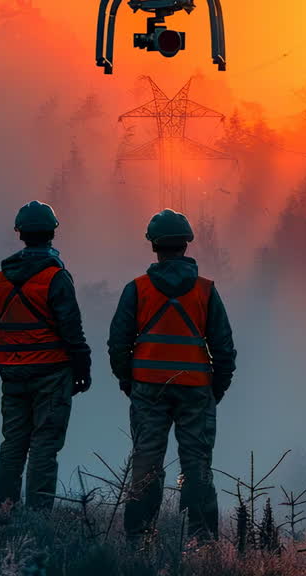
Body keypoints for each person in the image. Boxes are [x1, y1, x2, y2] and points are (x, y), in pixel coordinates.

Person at [108, 208, 236, 541]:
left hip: (148, 390)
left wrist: (129, 381)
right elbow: (224, 349)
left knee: (146, 466)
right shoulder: (206, 291)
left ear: (154, 245)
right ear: (186, 245)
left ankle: (139, 541)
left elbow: (118, 344)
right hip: (196, 390)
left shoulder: (137, 289)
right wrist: (214, 390)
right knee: (197, 467)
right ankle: (202, 543)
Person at [0, 200, 91, 510]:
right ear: (52, 233)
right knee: (44, 446)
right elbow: (72, 329)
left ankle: (2, 514)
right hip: (52, 375)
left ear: (20, 234)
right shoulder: (56, 278)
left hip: (13, 376)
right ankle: (37, 520)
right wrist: (83, 367)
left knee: (13, 445)